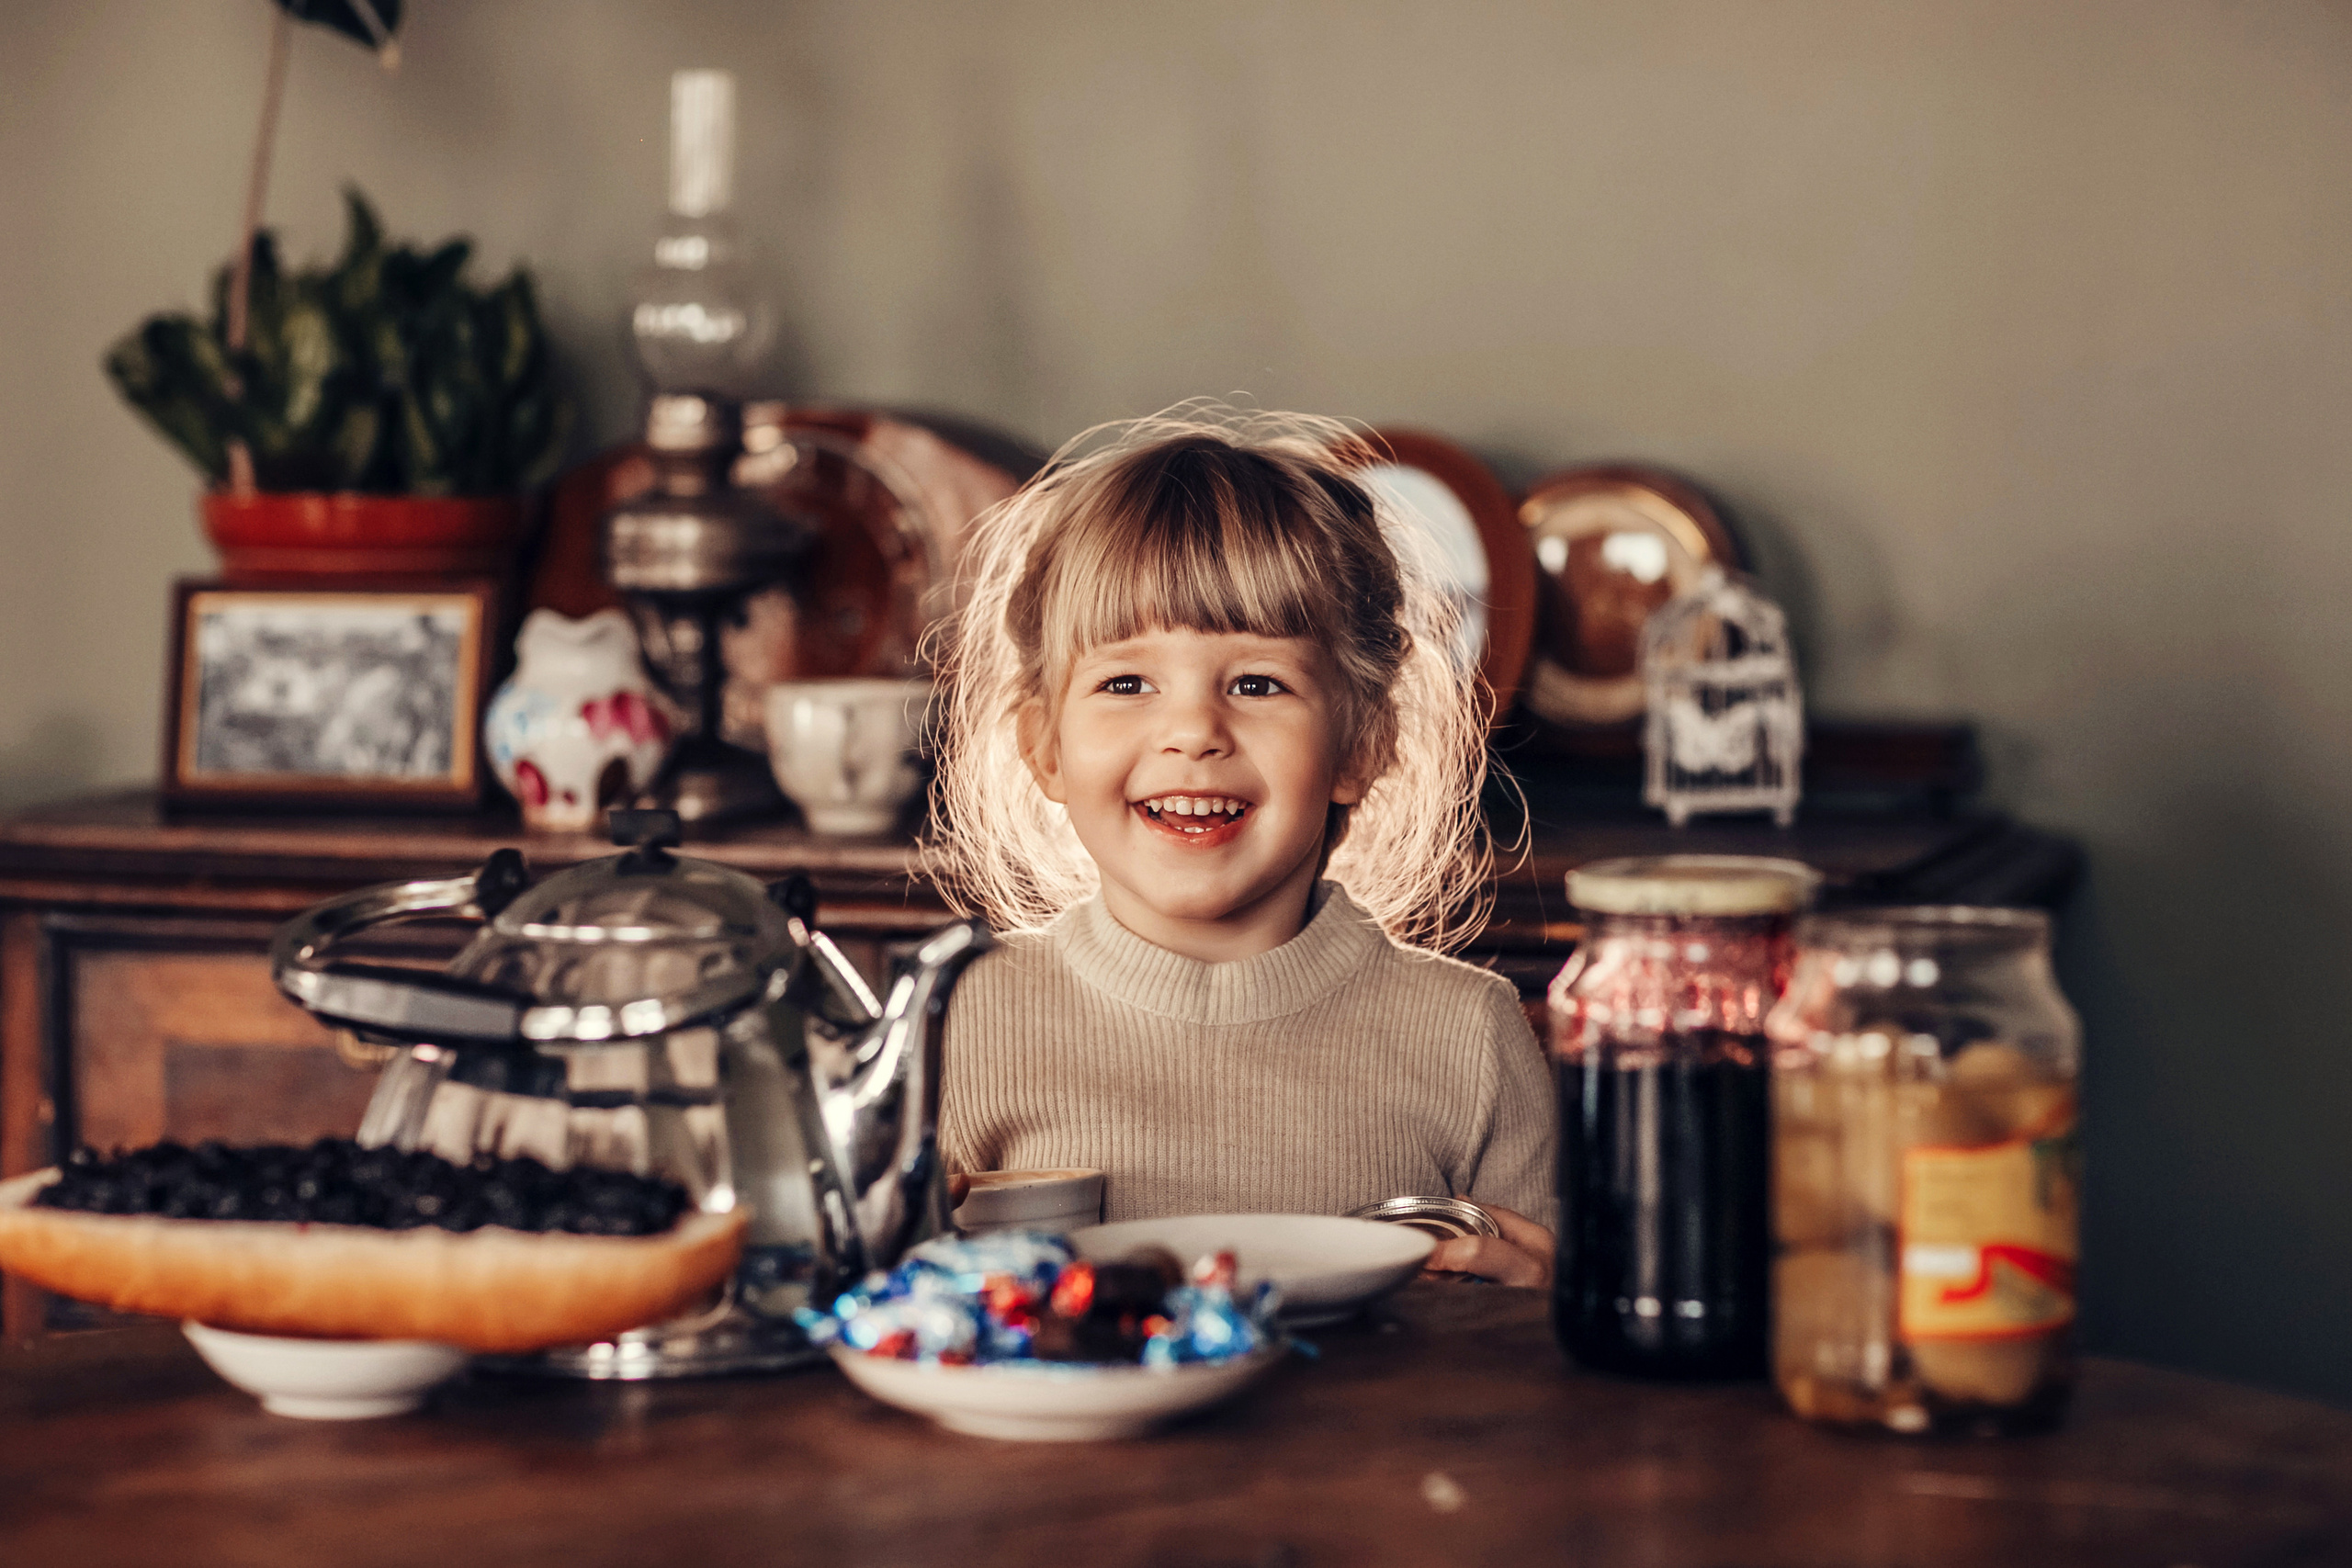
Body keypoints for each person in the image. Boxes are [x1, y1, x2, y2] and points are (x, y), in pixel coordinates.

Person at [927, 406, 1556, 1285]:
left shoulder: (1471, 1038)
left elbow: (1544, 1377)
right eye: (1127, 681)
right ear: (1043, 746)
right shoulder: (953, 1029)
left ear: (1362, 742)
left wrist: (1541, 1304)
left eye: (1257, 682)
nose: (1192, 729)